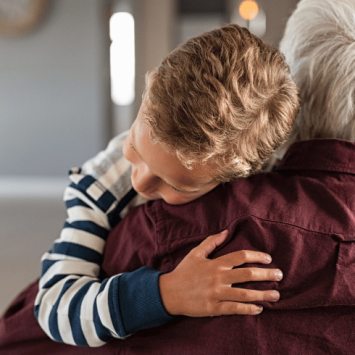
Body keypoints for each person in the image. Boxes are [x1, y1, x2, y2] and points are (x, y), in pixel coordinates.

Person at [32, 23, 299, 347]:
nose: (140, 181)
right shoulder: (99, 189)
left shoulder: (270, 166)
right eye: (134, 146)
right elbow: (54, 305)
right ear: (149, 91)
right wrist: (167, 294)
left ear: (237, 176)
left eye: (175, 184)